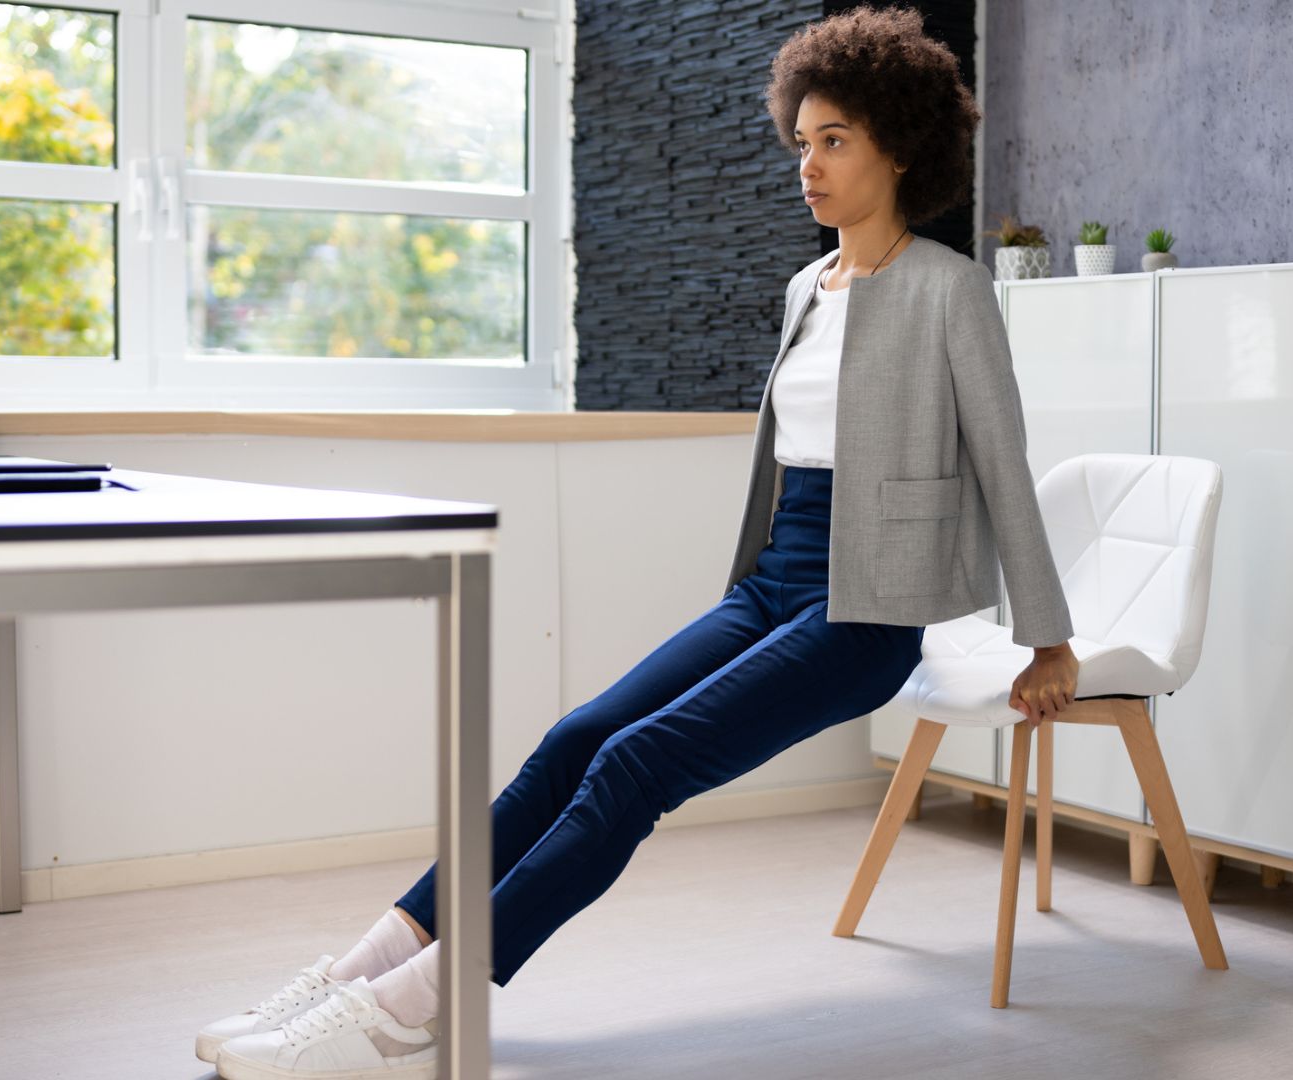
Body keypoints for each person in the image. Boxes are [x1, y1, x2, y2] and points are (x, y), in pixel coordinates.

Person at [197, 6, 1080, 1077]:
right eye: (801, 140)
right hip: (776, 581)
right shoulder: (809, 288)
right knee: (576, 739)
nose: (809, 163)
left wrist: (1048, 638)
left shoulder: (951, 291)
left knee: (634, 763)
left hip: (868, 609)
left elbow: (1004, 462)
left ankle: (416, 1007)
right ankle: (363, 967)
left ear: (899, 144)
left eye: (835, 139)